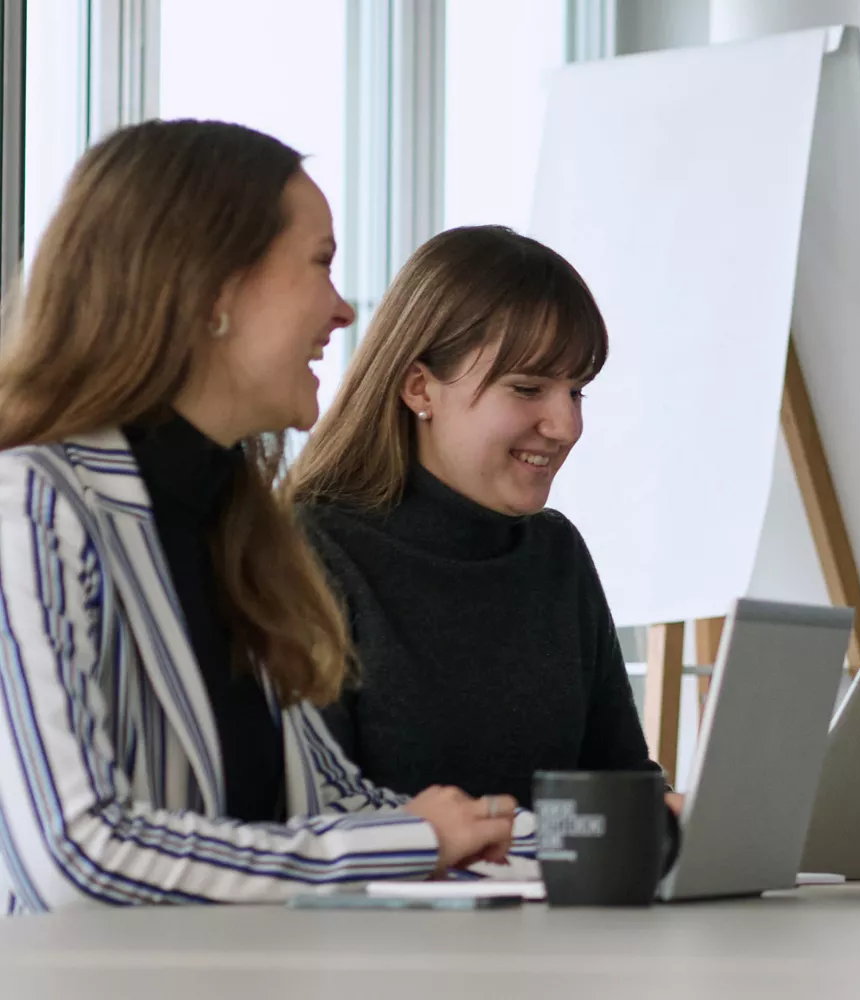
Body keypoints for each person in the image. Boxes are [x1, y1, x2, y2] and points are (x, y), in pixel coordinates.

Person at [0, 121, 518, 915]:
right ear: (212, 288)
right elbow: (76, 858)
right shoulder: (28, 505)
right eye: (320, 263)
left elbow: (331, 805)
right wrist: (413, 840)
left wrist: (591, 837)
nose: (343, 310)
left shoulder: (232, 521)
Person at [291, 225, 672, 810]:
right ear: (420, 387)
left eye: (577, 392)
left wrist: (675, 818)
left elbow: (618, 780)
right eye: (527, 389)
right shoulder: (309, 551)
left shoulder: (555, 554)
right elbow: (315, 814)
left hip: (552, 900)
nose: (566, 426)